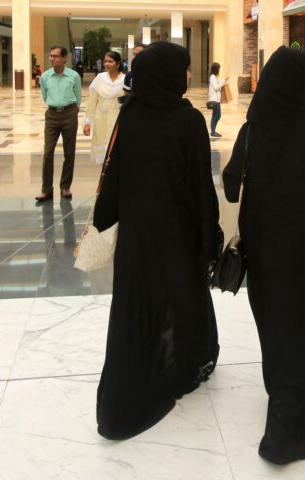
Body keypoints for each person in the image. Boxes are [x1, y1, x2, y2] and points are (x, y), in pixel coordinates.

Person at [223, 46, 305, 465]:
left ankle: (281, 401)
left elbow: (230, 185)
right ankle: (296, 419)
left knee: (274, 325)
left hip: (263, 246)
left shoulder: (252, 129)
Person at [93, 41, 221, 440]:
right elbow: (202, 188)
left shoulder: (128, 116)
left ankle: (144, 364)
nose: (187, 76)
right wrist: (209, 237)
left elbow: (113, 177)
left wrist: (107, 216)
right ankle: (183, 362)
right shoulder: (188, 122)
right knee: (182, 296)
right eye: (184, 70)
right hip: (177, 235)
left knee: (140, 300)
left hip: (137, 235)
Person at [35, 46, 82, 202]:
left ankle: (65, 187)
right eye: (51, 56)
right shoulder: (45, 76)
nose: (52, 59)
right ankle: (46, 189)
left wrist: (73, 111)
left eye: (55, 56)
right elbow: (44, 95)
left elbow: (78, 97)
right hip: (52, 115)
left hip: (69, 114)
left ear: (64, 58)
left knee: (69, 153)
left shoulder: (74, 76)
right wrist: (54, 105)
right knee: (48, 152)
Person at [83, 51, 125, 164]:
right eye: (105, 61)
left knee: (117, 150)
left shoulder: (125, 79)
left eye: (110, 61)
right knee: (103, 154)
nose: (107, 64)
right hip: (101, 118)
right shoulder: (100, 78)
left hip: (118, 118)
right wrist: (87, 123)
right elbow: (92, 102)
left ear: (118, 64)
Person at [208, 62, 228, 137]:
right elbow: (216, 87)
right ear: (216, 69)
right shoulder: (212, 77)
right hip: (214, 100)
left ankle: (213, 131)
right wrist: (222, 81)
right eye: (218, 68)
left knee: (217, 115)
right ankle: (213, 132)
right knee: (216, 116)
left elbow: (216, 83)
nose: (219, 70)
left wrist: (223, 80)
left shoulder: (214, 77)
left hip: (217, 99)